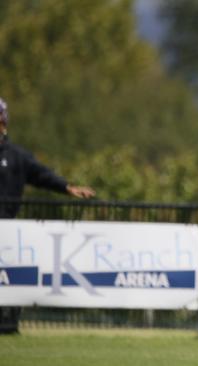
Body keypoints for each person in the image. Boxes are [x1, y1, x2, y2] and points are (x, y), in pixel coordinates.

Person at [0, 96, 96, 334]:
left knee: (9, 280)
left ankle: (8, 324)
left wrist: (66, 187)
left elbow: (42, 175)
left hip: (7, 231)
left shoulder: (16, 156)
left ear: (3, 122)